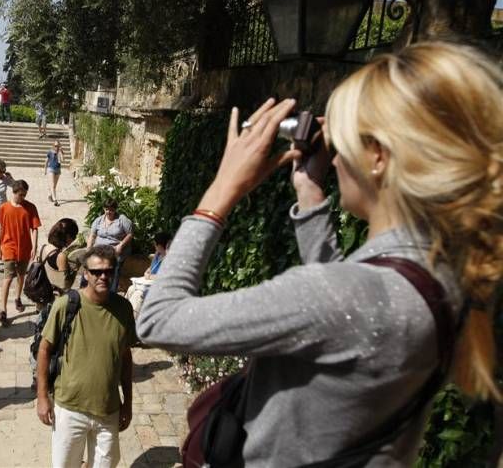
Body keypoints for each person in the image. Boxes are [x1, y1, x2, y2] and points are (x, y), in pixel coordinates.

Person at [136, 42, 503, 465]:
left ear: (378, 156)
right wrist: (310, 194)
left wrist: (222, 190)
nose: (335, 154)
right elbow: (348, 317)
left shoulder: (347, 296)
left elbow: (157, 319)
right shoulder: (444, 276)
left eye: (342, 141)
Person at [36, 245, 136, 468]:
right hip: (70, 408)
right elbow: (44, 350)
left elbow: (125, 358)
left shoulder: (123, 309)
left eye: (108, 271)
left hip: (108, 408)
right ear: (86, 274)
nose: (103, 276)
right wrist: (42, 397)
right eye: (96, 272)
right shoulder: (66, 305)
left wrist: (127, 403)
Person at [29, 218, 81, 389]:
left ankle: (36, 374)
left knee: (39, 337)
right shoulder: (60, 256)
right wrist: (74, 269)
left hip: (41, 301)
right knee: (52, 343)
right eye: (72, 236)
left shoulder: (44, 248)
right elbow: (65, 284)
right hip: (55, 304)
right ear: (66, 237)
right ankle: (48, 375)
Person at [0, 179, 41, 324]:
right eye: (21, 195)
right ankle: (3, 310)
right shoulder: (3, 208)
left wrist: (35, 246)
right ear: (13, 192)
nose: (23, 198)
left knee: (21, 275)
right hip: (8, 247)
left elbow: (34, 228)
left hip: (25, 247)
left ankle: (17, 298)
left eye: (25, 195)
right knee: (8, 278)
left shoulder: (30, 207)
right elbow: (0, 228)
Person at [86, 199, 133, 293]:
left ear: (115, 209)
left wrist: (121, 245)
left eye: (111, 209)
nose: (108, 212)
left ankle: (111, 292)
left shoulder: (122, 219)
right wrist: (89, 249)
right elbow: (92, 235)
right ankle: (90, 289)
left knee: (115, 265)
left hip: (116, 249)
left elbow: (130, 234)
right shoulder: (99, 220)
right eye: (106, 209)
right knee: (91, 264)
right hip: (100, 249)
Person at [125, 231, 170, 319]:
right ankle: (125, 313)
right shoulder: (157, 254)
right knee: (131, 289)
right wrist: (147, 271)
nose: (154, 246)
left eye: (155, 244)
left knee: (137, 295)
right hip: (148, 283)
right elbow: (150, 268)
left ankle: (133, 320)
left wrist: (150, 277)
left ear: (160, 245)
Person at [44, 141, 63, 207]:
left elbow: (62, 160)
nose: (56, 147)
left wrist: (61, 153)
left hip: (58, 170)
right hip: (50, 169)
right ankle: (55, 200)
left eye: (58, 146)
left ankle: (50, 195)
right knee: (52, 184)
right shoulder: (50, 152)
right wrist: (45, 170)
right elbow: (46, 161)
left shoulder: (60, 152)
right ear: (53, 146)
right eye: (55, 146)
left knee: (54, 185)